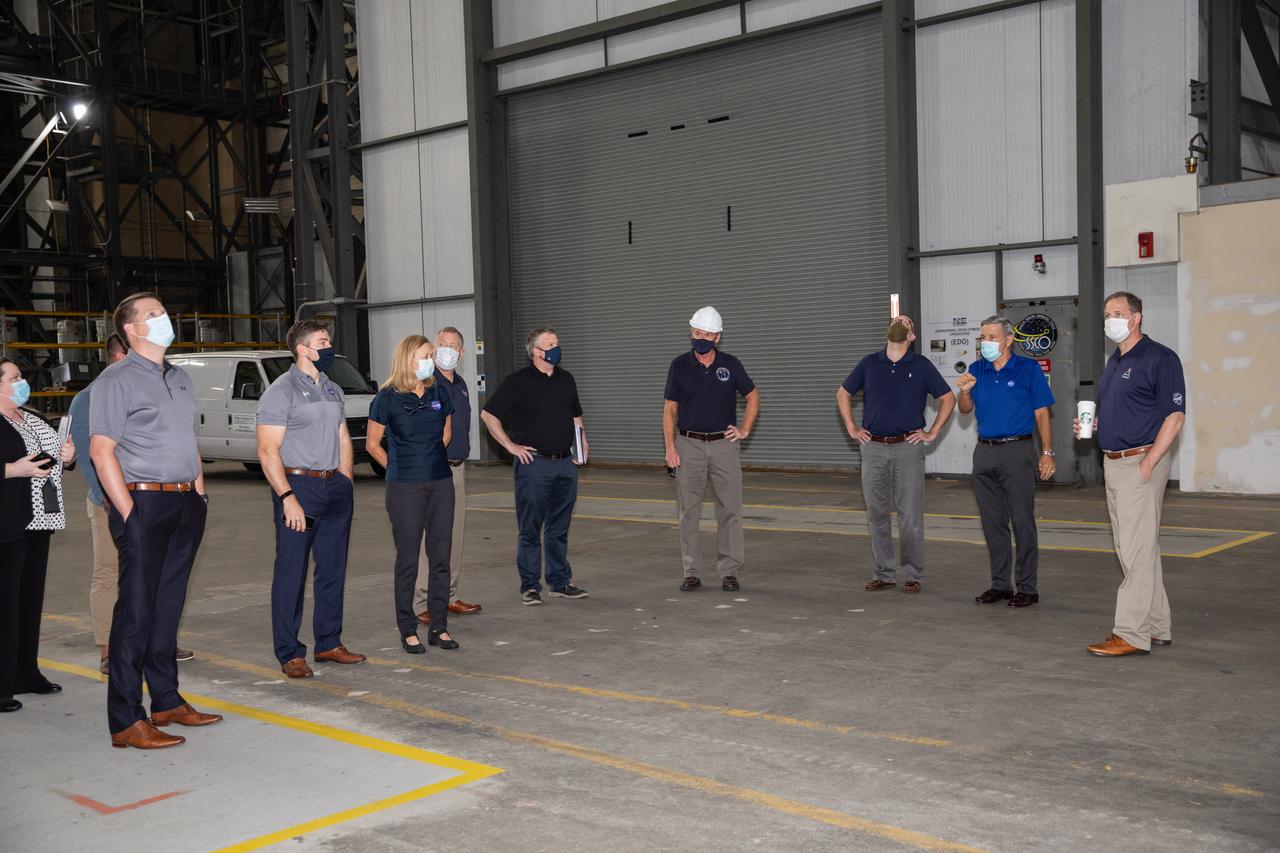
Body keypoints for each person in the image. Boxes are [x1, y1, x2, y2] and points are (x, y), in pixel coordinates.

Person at [91, 292, 221, 749]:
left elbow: (189, 441)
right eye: (153, 314)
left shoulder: (181, 378)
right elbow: (101, 451)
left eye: (163, 312)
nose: (164, 319)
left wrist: (200, 495)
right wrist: (129, 512)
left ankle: (165, 699)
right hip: (144, 504)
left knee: (168, 608)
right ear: (131, 328)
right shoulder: (116, 380)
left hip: (186, 503)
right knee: (135, 613)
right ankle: (126, 718)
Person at [69, 335, 196, 677]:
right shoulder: (91, 397)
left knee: (153, 577)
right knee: (110, 575)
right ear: (121, 355)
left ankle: (158, 642)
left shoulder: (152, 387)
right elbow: (91, 455)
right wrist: (116, 502)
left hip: (149, 500)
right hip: (113, 502)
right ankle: (110, 649)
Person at [1079, 292, 1186, 657]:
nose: (1112, 319)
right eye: (1108, 313)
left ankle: (1129, 632)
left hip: (1140, 462)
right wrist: (1091, 427)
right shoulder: (1115, 360)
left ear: (1137, 316)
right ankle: (1157, 625)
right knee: (1136, 549)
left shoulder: (1160, 358)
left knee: (1136, 551)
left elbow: (1174, 415)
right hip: (1115, 461)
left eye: (1119, 313)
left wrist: (1150, 460)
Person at [256, 320, 364, 678]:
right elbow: (267, 449)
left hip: (334, 486)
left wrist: (346, 479)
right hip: (299, 487)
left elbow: (342, 435)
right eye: (322, 341)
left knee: (332, 570)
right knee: (292, 571)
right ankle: (290, 652)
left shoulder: (332, 388)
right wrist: (286, 496)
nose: (329, 345)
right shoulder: (280, 390)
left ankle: (329, 642)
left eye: (329, 339)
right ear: (303, 349)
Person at [837, 316, 956, 595]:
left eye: (907, 322)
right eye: (896, 320)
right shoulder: (869, 363)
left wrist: (932, 432)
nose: (900, 322)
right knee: (877, 513)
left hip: (907, 448)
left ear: (911, 336)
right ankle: (884, 573)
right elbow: (843, 393)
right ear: (887, 332)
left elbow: (947, 398)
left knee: (910, 515)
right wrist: (852, 428)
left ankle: (913, 574)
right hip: (874, 448)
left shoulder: (921, 365)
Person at [480, 327, 590, 605]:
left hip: (564, 463)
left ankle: (560, 581)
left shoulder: (566, 380)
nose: (556, 347)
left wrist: (581, 444)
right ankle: (530, 585)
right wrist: (510, 446)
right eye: (550, 343)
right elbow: (488, 414)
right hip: (534, 465)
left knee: (559, 527)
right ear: (536, 352)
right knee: (530, 528)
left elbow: (576, 417)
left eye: (557, 342)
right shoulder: (518, 382)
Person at [955, 315, 1056, 608]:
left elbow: (1041, 413)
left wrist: (1047, 452)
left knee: (1022, 520)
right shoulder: (977, 369)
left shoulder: (1027, 369)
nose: (985, 343)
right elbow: (965, 411)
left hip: (1018, 450)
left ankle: (1027, 587)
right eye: (982, 337)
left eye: (991, 337)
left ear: (1008, 340)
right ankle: (1000, 584)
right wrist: (963, 392)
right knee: (992, 522)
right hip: (985, 451)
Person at [367, 335, 459, 653]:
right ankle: (407, 628)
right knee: (408, 559)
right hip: (404, 487)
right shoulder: (386, 399)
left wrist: (428, 456)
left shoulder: (438, 392)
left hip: (440, 483)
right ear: (408, 359)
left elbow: (446, 433)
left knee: (441, 556)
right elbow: (372, 444)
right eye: (425, 355)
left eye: (432, 355)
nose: (431, 360)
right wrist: (396, 465)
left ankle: (439, 626)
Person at [662, 306, 759, 593]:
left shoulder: (731, 364)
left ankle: (729, 570)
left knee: (730, 509)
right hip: (688, 444)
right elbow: (669, 409)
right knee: (688, 512)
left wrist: (744, 429)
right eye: (696, 333)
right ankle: (691, 571)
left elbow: (753, 395)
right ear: (691, 333)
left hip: (723, 445)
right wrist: (670, 447)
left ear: (717, 337)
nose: (700, 338)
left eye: (707, 334)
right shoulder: (679, 365)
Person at [1, 357, 75, 713]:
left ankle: (25, 673)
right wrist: (12, 469)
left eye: (21, 376)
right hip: (7, 521)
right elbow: (17, 465)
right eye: (15, 377)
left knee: (29, 601)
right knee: (5, 605)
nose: (22, 381)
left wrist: (69, 455)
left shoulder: (31, 417)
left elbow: (54, 456)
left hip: (40, 519)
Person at [413, 326, 479, 621]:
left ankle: (448, 595)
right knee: (431, 536)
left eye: (453, 346)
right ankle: (423, 601)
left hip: (458, 467)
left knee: (455, 535)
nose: (447, 350)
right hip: (434, 469)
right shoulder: (426, 383)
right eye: (442, 344)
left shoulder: (461, 384)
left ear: (462, 353)